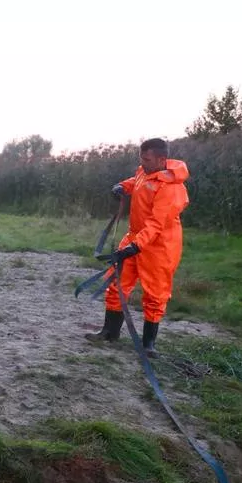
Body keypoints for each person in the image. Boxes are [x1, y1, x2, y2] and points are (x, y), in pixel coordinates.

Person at [85, 138, 190, 358]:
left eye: (147, 158)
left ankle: (148, 344)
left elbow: (156, 224)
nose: (142, 162)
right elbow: (138, 181)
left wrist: (136, 246)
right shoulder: (145, 171)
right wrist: (123, 186)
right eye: (141, 158)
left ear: (162, 159)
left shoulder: (171, 189)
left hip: (160, 246)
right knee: (116, 284)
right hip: (134, 237)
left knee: (155, 295)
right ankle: (109, 333)